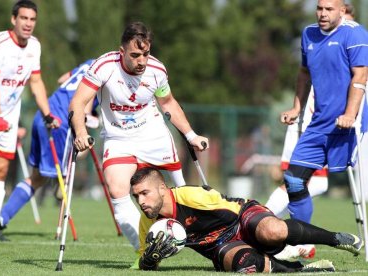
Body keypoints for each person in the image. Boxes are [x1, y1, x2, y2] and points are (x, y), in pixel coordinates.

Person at [69, 22, 209, 251]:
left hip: (153, 134)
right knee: (117, 188)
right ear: (121, 51)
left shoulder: (157, 70)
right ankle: (145, 248)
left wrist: (191, 135)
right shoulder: (104, 66)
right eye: (135, 55)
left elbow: (168, 103)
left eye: (145, 53)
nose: (141, 61)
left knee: (180, 189)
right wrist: (81, 132)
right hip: (118, 139)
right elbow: (78, 102)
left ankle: (203, 233)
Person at [265, 2, 360, 260]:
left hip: (353, 126)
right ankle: (297, 241)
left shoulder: (356, 35)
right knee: (294, 179)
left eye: (329, 9)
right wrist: (297, 108)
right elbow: (304, 73)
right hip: (318, 125)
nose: (322, 13)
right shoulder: (308, 34)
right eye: (319, 8)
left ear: (342, 11)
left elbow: (359, 78)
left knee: (351, 189)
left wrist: (350, 114)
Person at [131, 167, 362, 273]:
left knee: (272, 231)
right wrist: (151, 260)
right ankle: (300, 270)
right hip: (221, 246)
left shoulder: (190, 196)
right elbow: (145, 262)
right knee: (246, 265)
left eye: (145, 193)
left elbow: (231, 207)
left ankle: (336, 239)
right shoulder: (149, 222)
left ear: (162, 187)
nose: (141, 201)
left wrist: (252, 224)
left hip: (242, 217)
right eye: (136, 196)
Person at [0, 0, 60, 241]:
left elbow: (36, 82)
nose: (28, 24)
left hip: (9, 114)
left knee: (0, 169)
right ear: (13, 19)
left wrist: (48, 114)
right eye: (24, 18)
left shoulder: (35, 47)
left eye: (32, 19)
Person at [0, 59, 98, 234]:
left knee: (36, 177)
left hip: (43, 114)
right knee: (45, 177)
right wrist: (89, 116)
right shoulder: (106, 71)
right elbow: (87, 102)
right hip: (60, 123)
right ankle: (61, 182)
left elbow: (61, 80)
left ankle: (0, 218)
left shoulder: (90, 63)